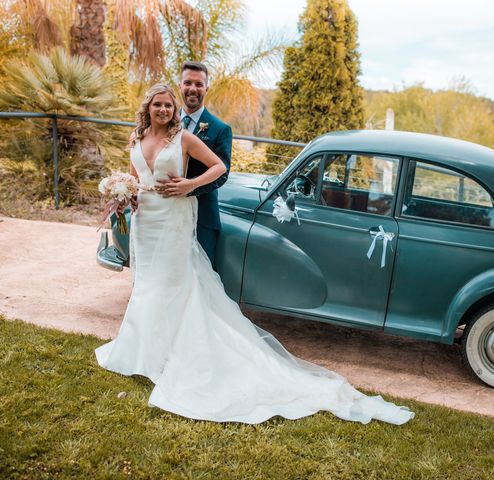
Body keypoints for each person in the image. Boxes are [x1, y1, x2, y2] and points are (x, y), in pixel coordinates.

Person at [95, 84, 414, 425]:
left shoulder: (183, 138)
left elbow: (218, 167)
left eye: (168, 105)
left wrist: (189, 185)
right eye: (158, 105)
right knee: (146, 284)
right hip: (146, 222)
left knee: (173, 285)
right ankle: (143, 351)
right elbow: (135, 178)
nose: (163, 110)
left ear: (173, 110)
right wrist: (127, 195)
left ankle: (175, 353)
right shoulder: (137, 137)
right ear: (148, 108)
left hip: (174, 219)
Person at [157, 61, 232, 270]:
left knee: (199, 273)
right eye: (187, 83)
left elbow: (222, 173)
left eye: (199, 84)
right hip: (166, 212)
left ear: (206, 89)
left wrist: (190, 186)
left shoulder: (220, 129)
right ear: (180, 86)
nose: (193, 88)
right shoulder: (163, 123)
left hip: (202, 216)